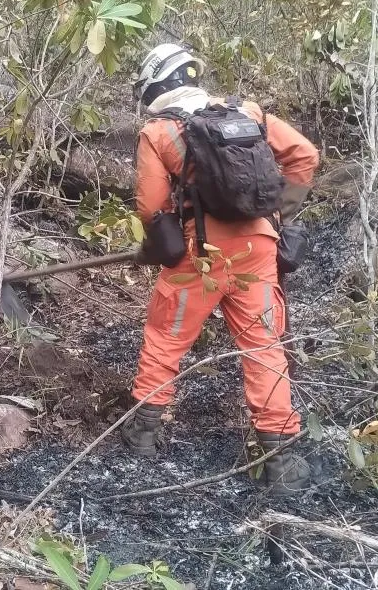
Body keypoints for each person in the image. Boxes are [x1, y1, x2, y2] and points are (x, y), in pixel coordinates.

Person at [121, 43, 319, 496]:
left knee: (166, 336)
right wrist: (279, 214)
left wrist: (163, 238)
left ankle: (145, 432)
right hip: (261, 250)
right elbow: (304, 155)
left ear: (156, 86)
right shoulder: (246, 112)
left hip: (204, 253)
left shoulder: (160, 131)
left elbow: (151, 206)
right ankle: (280, 457)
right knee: (264, 346)